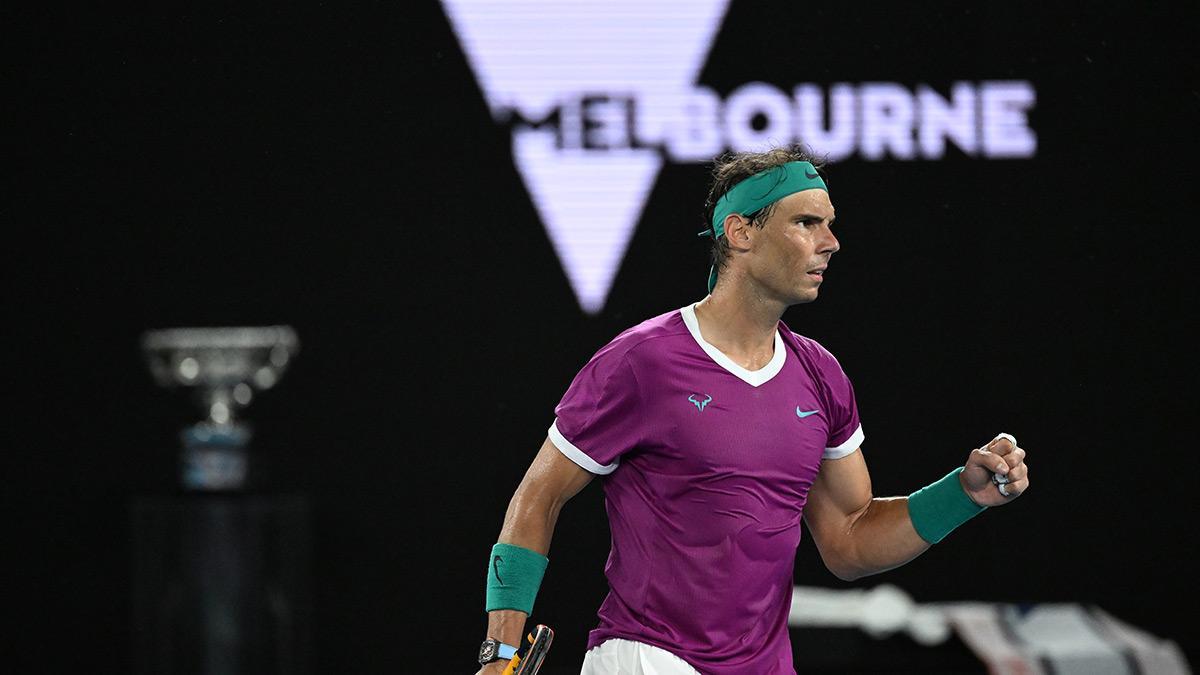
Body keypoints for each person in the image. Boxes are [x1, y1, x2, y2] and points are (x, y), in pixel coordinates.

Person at [475, 145, 1031, 674]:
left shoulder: (821, 375)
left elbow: (849, 539)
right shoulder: (640, 362)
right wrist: (501, 650)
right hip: (648, 656)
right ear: (740, 232)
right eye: (806, 222)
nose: (831, 241)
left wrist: (962, 495)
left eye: (829, 223)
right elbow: (538, 497)